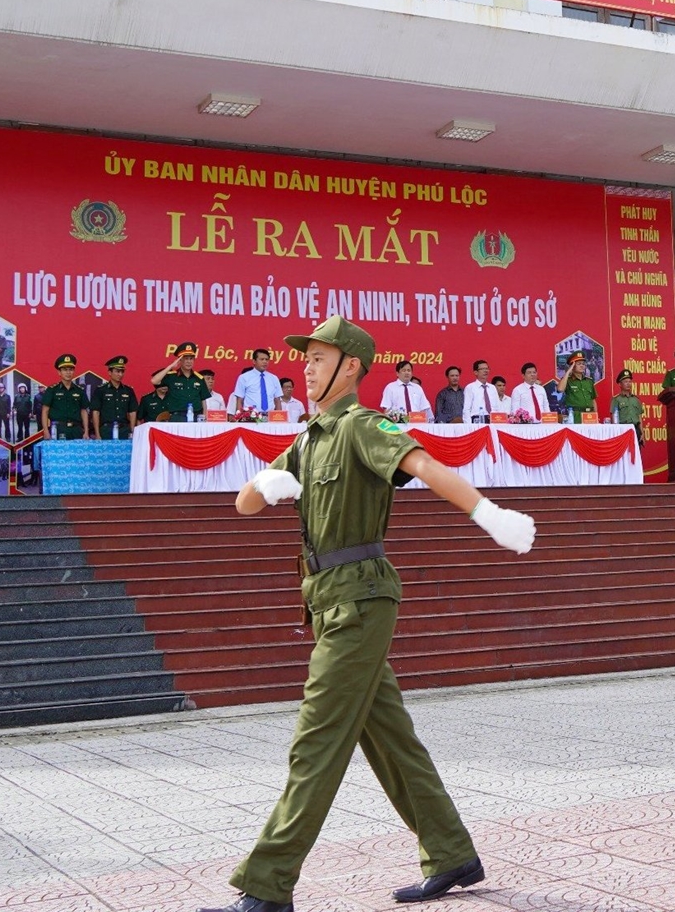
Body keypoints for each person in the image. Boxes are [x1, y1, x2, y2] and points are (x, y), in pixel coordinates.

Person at [197, 316, 537, 912]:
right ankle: (451, 850)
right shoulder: (307, 438)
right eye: (305, 359)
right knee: (389, 738)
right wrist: (268, 484)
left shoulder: (361, 426)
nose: (306, 367)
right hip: (326, 601)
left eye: (319, 358)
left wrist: (490, 516)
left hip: (361, 598)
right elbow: (243, 504)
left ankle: (267, 885)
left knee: (317, 739)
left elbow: (424, 465)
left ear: (350, 366)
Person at [152, 343, 210, 422]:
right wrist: (170, 367)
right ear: (180, 360)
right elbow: (154, 380)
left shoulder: (199, 378)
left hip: (196, 417)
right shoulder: (172, 376)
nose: (189, 361)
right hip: (177, 417)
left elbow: (203, 400)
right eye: (186, 358)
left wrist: (204, 417)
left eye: (191, 358)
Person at [39, 355, 92, 439]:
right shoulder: (52, 390)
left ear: (74, 371)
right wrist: (45, 431)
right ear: (59, 372)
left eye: (70, 369)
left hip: (76, 430)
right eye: (65, 370)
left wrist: (86, 431)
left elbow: (84, 411)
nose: (68, 372)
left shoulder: (79, 390)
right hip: (58, 429)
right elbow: (45, 411)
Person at [93, 357, 141, 440]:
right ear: (109, 372)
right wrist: (97, 433)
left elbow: (132, 412)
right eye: (117, 371)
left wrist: (132, 431)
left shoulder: (128, 390)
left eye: (122, 371)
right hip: (106, 429)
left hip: (124, 429)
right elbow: (96, 412)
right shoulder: (101, 390)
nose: (120, 374)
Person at [231, 350, 285, 419]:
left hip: (270, 418)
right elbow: (240, 400)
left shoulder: (274, 378)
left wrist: (279, 418)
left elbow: (277, 401)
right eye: (262, 359)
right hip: (251, 418)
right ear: (254, 361)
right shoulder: (244, 377)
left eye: (267, 359)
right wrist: (239, 418)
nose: (265, 362)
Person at [556, 352, 597, 421]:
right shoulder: (568, 380)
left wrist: (595, 415)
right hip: (575, 416)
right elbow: (560, 389)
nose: (582, 366)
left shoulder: (589, 381)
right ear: (572, 366)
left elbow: (593, 400)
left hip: (589, 415)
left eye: (583, 364)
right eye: (579, 364)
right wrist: (569, 371)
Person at [609, 369, 643, 439]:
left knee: (636, 449)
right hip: (623, 429)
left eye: (630, 382)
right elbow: (613, 417)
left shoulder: (636, 399)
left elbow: (639, 418)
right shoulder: (616, 399)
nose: (628, 384)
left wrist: (642, 433)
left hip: (636, 429)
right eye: (625, 382)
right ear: (620, 384)